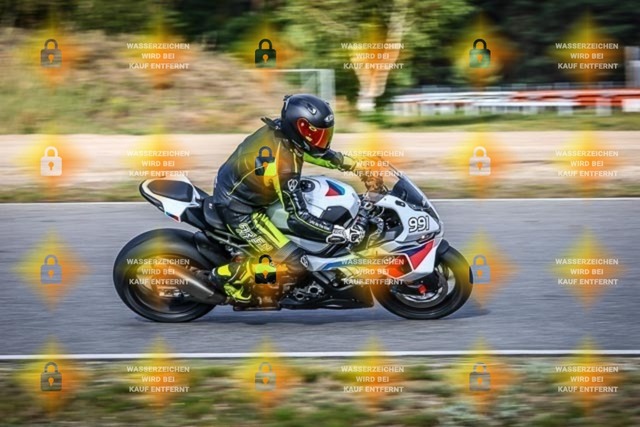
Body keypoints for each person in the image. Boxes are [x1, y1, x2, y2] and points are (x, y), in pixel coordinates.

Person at [210, 94, 367, 303]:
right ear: (298, 128)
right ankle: (224, 276)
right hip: (240, 208)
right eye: (316, 135)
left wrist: (355, 165)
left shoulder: (286, 133)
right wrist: (341, 233)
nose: (321, 140)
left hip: (245, 188)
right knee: (295, 262)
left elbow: (316, 153)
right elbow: (298, 217)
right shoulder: (284, 164)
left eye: (324, 134)